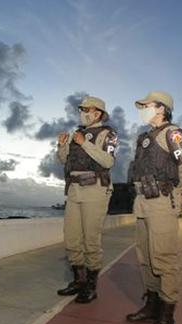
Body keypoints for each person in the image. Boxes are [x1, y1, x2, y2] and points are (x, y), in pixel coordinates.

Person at [126, 91, 182, 324]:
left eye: (146, 105)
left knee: (163, 257)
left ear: (161, 108)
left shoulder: (172, 133)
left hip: (163, 200)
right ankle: (152, 305)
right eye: (141, 104)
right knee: (145, 256)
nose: (142, 108)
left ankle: (167, 317)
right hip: (143, 201)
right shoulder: (144, 137)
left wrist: (175, 193)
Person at [56, 96, 118, 304]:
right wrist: (62, 146)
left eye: (86, 109)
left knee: (91, 240)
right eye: (81, 109)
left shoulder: (108, 134)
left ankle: (91, 286)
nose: (82, 112)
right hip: (74, 190)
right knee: (72, 239)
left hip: (95, 189)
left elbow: (108, 161)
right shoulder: (77, 134)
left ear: (98, 113)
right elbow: (64, 160)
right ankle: (78, 281)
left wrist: (84, 144)